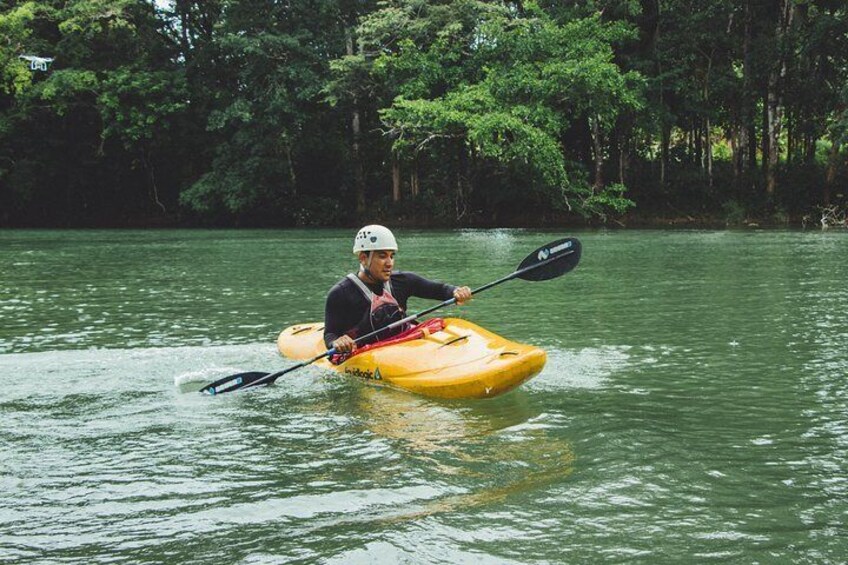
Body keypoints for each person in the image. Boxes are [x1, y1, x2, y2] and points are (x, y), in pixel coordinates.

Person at [324, 225, 472, 353]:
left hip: (403, 344)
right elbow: (330, 334)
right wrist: (337, 342)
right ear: (363, 258)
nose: (389, 263)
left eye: (392, 256)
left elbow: (440, 290)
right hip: (366, 352)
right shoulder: (340, 293)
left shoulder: (403, 281)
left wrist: (456, 292)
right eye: (382, 257)